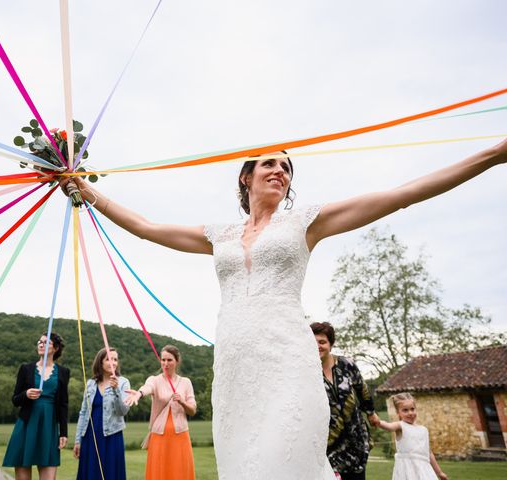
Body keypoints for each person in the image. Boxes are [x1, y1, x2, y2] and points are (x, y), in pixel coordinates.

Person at [60, 139, 507, 479]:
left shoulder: (305, 222)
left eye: (287, 167)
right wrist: (84, 190)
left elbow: (401, 194)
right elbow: (146, 227)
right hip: (235, 366)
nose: (281, 171)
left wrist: (493, 155)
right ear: (245, 176)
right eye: (270, 163)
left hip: (288, 360)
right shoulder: (220, 234)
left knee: (284, 458)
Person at [311, 321, 380, 480]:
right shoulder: (306, 373)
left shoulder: (346, 364)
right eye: (313, 342)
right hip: (329, 445)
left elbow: (362, 389)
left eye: (322, 342)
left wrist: (371, 413)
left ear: (331, 344)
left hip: (356, 439)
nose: (318, 346)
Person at [3, 332, 70, 480]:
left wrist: (63, 432)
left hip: (49, 425)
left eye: (46, 342)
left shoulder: (64, 372)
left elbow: (63, 404)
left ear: (56, 348)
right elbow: (15, 400)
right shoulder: (26, 369)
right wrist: (26, 394)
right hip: (26, 424)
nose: (41, 344)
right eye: (39, 341)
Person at [125, 345, 196, 480]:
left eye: (169, 360)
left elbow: (192, 410)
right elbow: (148, 387)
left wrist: (182, 401)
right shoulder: (155, 380)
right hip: (159, 437)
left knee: (180, 472)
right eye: (163, 360)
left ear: (177, 361)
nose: (165, 363)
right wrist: (139, 394)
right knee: (160, 473)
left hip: (180, 436)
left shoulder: (186, 382)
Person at [74, 348, 130, 480]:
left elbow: (123, 411)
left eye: (116, 359)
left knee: (110, 473)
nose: (114, 362)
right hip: (90, 436)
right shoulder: (90, 384)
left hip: (112, 436)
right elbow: (83, 413)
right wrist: (78, 440)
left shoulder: (123, 382)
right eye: (109, 359)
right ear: (100, 362)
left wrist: (116, 390)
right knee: (91, 474)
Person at [377, 393, 447, 480]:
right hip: (406, 470)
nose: (410, 413)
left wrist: (439, 472)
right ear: (398, 413)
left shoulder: (423, 430)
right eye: (405, 410)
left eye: (412, 409)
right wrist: (378, 422)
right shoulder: (400, 426)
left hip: (424, 470)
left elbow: (428, 453)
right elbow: (389, 426)